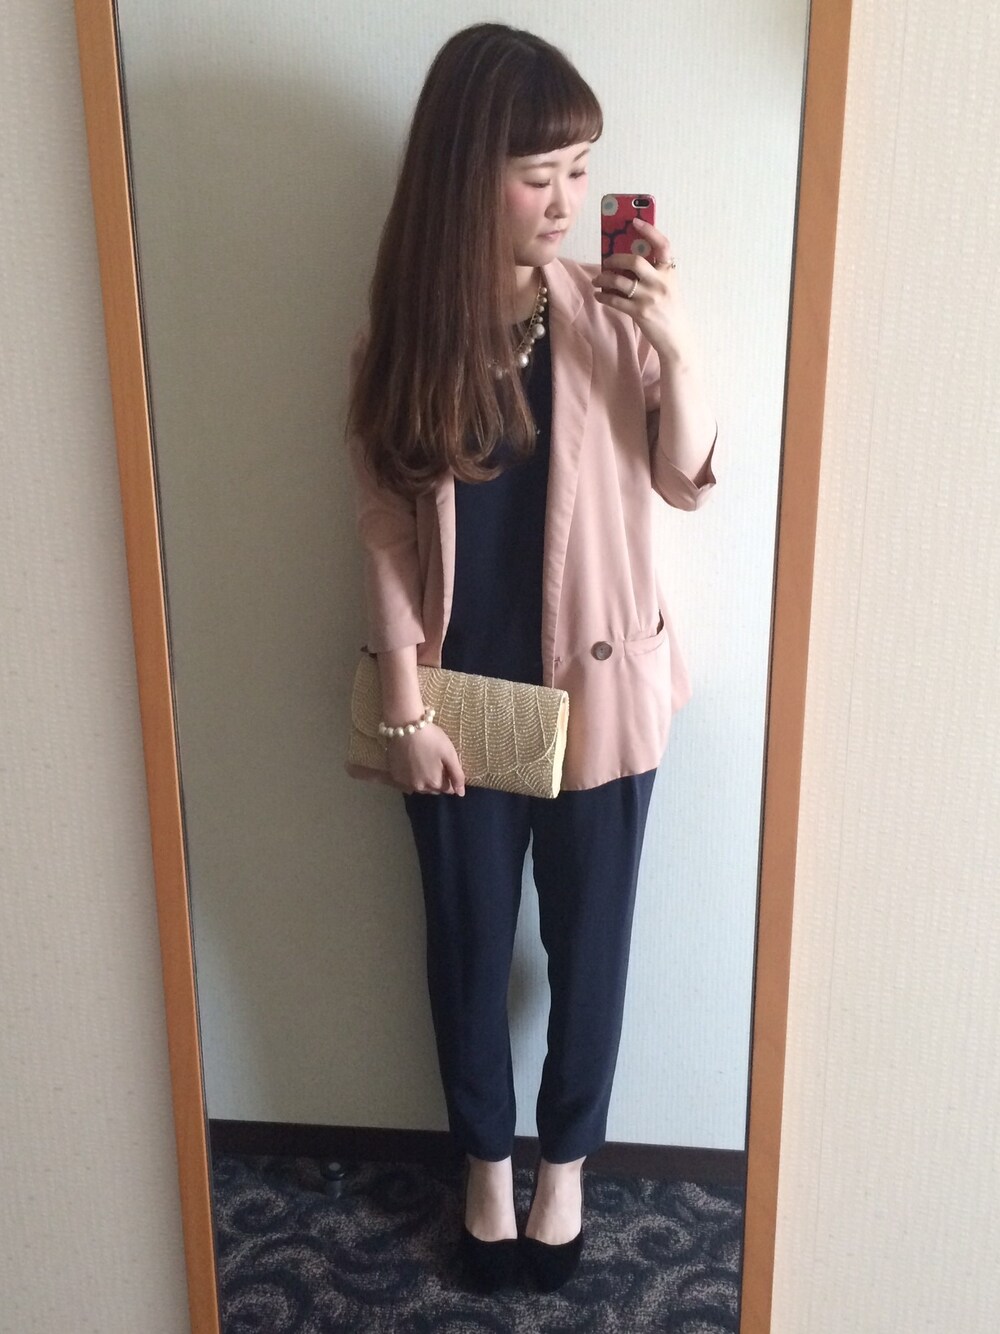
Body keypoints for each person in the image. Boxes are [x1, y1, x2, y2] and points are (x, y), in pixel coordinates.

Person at [344, 22, 717, 1293]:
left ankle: (565, 1164)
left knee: (589, 946)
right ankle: (485, 1163)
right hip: (461, 700)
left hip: (603, 685)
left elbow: (684, 475)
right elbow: (386, 526)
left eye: (580, 169)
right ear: (468, 172)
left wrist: (679, 340)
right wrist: (404, 705)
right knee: (464, 945)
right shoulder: (408, 334)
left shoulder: (609, 314)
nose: (565, 201)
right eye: (536, 173)